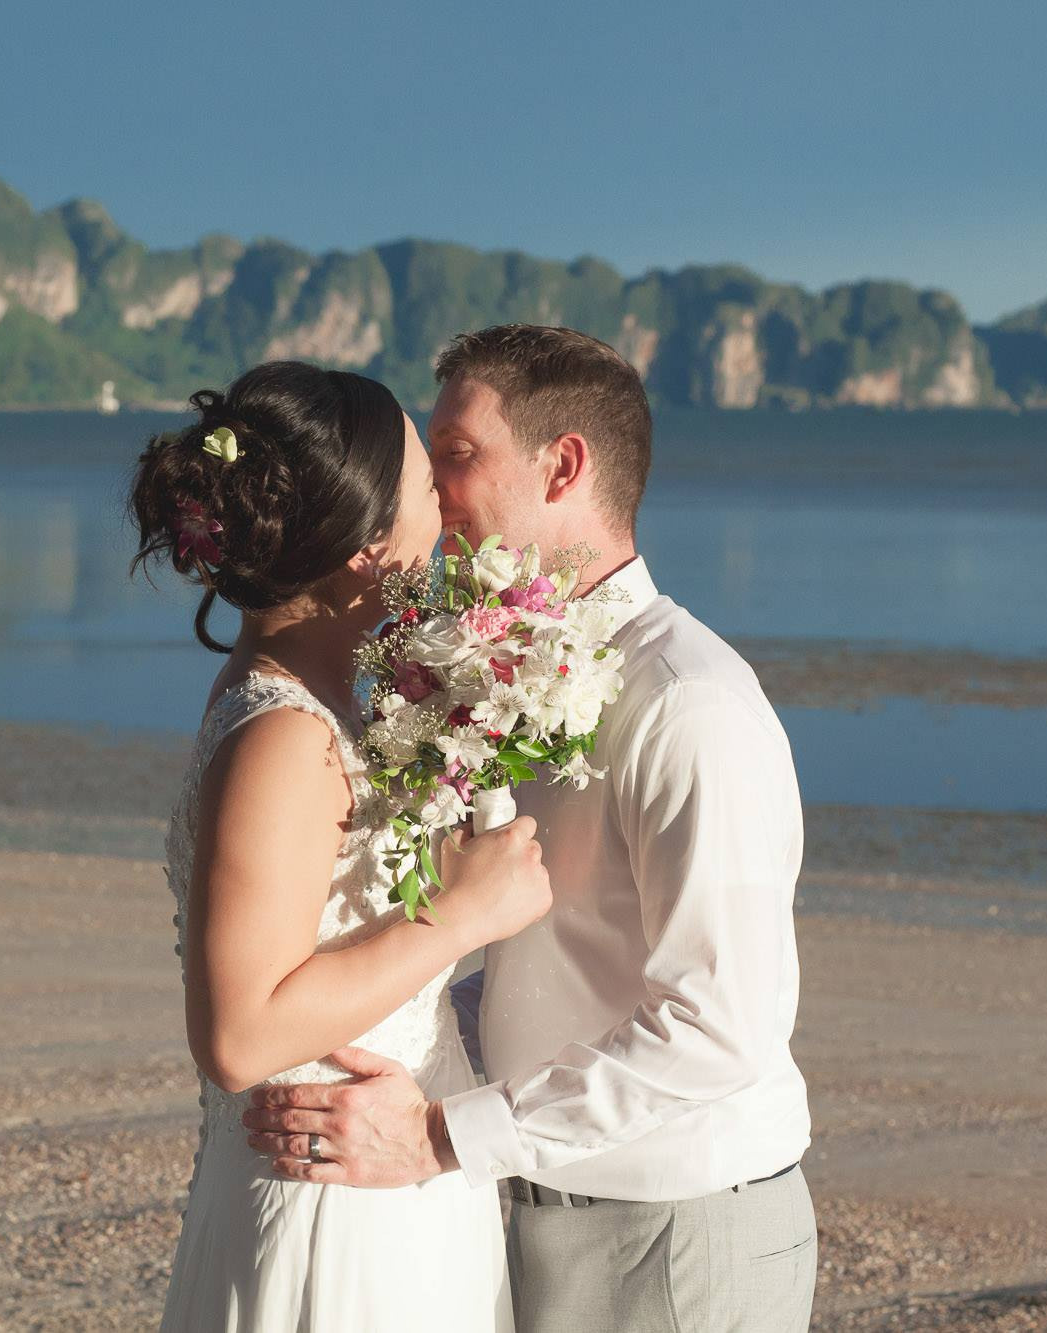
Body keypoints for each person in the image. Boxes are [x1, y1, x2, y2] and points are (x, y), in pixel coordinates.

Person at [243, 327, 818, 1332]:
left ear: (562, 466)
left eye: (457, 456)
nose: (432, 495)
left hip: (675, 1230)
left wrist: (441, 1136)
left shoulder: (691, 705)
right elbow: (530, 947)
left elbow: (721, 1027)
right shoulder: (484, 667)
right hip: (528, 1204)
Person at [128, 359, 552, 1331]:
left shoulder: (309, 701)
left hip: (371, 1175)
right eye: (421, 491)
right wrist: (460, 913)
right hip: (331, 1204)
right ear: (367, 550)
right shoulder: (285, 736)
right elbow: (238, 1038)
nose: (445, 509)